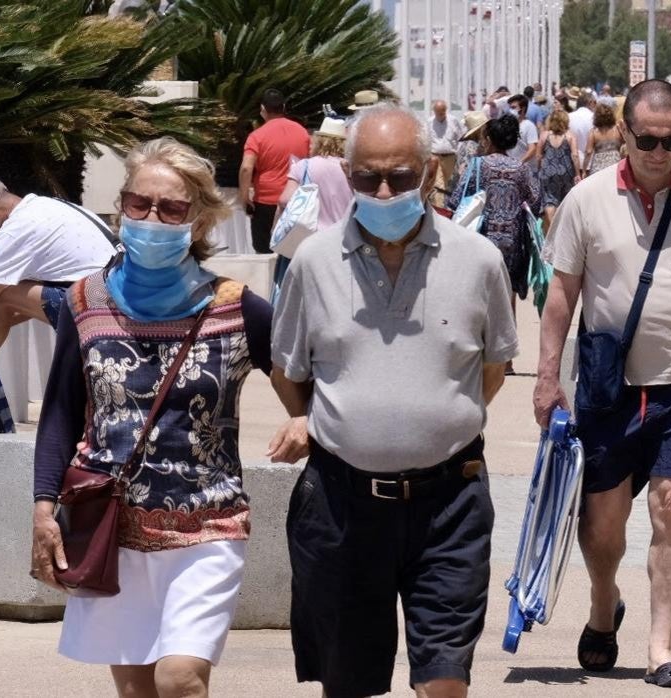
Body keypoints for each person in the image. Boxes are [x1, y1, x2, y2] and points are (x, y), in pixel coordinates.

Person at [268, 102, 517, 698]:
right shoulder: (311, 261)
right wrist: (321, 420)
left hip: (450, 502)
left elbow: (493, 367)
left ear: (429, 172)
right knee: (347, 683)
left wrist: (432, 421)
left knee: (445, 681)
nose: (383, 191)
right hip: (341, 504)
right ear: (346, 172)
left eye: (400, 176)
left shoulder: (478, 260)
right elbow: (288, 368)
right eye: (368, 176)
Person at [534, 78, 671, 689]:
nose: (659, 151)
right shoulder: (586, 199)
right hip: (609, 387)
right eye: (647, 139)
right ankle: (604, 603)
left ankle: (662, 647)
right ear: (625, 134)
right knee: (603, 522)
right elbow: (562, 295)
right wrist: (548, 376)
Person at [30, 137, 273, 696]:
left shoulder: (239, 307)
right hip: (112, 523)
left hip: (209, 524)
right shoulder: (83, 301)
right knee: (138, 689)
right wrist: (44, 508)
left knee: (180, 679)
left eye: (171, 208)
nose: (151, 219)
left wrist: (303, 420)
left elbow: (301, 384)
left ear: (202, 220)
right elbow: (63, 414)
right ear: (121, 206)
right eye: (138, 204)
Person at [0, 176, 115, 411]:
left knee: (1, 298)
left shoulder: (16, 229)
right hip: (113, 298)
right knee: (3, 300)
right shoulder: (50, 207)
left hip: (99, 305)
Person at [446, 114, 542, 329]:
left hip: (482, 239)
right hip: (513, 243)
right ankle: (507, 360)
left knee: (481, 295)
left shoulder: (478, 165)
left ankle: (484, 352)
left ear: (489, 139)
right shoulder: (521, 169)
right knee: (508, 298)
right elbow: (536, 203)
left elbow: (456, 200)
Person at [240, 89, 311, 253]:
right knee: (292, 251)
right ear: (284, 107)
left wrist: (244, 197)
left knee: (264, 252)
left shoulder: (257, 136)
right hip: (295, 201)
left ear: (262, 109)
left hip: (265, 202)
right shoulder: (302, 132)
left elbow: (246, 167)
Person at [277, 117, 354, 232]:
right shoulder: (350, 168)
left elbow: (284, 200)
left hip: (310, 236)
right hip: (345, 233)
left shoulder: (303, 166)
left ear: (319, 141)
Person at [537, 108, 583, 231]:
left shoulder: (544, 135)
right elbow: (575, 155)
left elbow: (539, 155)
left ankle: (552, 228)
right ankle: (562, 230)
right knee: (564, 200)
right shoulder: (569, 136)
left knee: (549, 201)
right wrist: (578, 173)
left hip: (548, 172)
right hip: (565, 172)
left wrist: (539, 170)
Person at [428, 100, 466, 207]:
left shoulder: (453, 121)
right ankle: (439, 208)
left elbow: (460, 138)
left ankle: (446, 206)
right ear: (434, 112)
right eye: (439, 112)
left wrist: (458, 154)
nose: (441, 114)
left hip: (450, 157)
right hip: (435, 156)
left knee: (447, 183)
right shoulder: (429, 122)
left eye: (443, 111)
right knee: (438, 183)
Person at [585, 103, 624, 175]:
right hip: (615, 166)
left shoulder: (593, 132)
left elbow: (588, 152)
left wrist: (584, 170)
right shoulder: (617, 129)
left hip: (598, 169)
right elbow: (625, 142)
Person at [506, 93, 541, 165]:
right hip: (509, 167)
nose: (510, 110)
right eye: (510, 108)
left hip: (524, 168)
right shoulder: (508, 125)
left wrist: (519, 163)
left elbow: (532, 149)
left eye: (513, 107)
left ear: (523, 108)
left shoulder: (529, 126)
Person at [569, 91, 597, 164]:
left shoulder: (568, 117)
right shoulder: (595, 118)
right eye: (595, 102)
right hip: (591, 162)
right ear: (590, 102)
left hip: (572, 161)